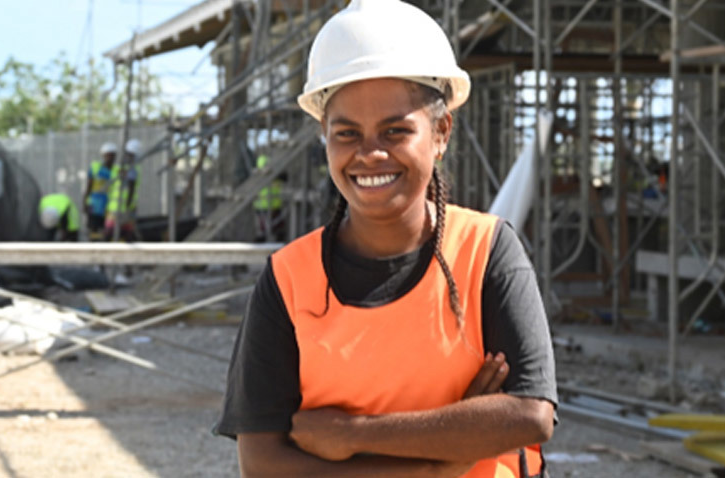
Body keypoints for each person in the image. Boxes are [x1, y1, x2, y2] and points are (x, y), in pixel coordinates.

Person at [216, 1, 557, 477]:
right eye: (347, 133)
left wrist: (352, 435)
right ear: (325, 136)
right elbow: (264, 463)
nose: (370, 154)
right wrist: (439, 465)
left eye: (395, 131)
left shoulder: (486, 251)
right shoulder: (290, 279)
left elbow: (529, 416)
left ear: (441, 132)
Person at [104, 139, 141, 242]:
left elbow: (131, 189)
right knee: (113, 234)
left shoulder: (131, 168)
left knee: (123, 234)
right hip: (118, 207)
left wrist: (128, 209)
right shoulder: (121, 167)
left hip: (123, 207)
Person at [83, 142, 118, 239]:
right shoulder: (95, 167)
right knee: (93, 229)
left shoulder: (117, 170)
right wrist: (85, 202)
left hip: (109, 205)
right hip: (95, 204)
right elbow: (88, 186)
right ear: (103, 155)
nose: (110, 158)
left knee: (107, 230)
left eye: (112, 155)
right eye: (108, 155)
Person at [252, 153, 286, 242]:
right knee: (265, 229)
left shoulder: (275, 173)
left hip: (271, 204)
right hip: (265, 204)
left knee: (275, 229)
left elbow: (284, 177)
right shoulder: (260, 173)